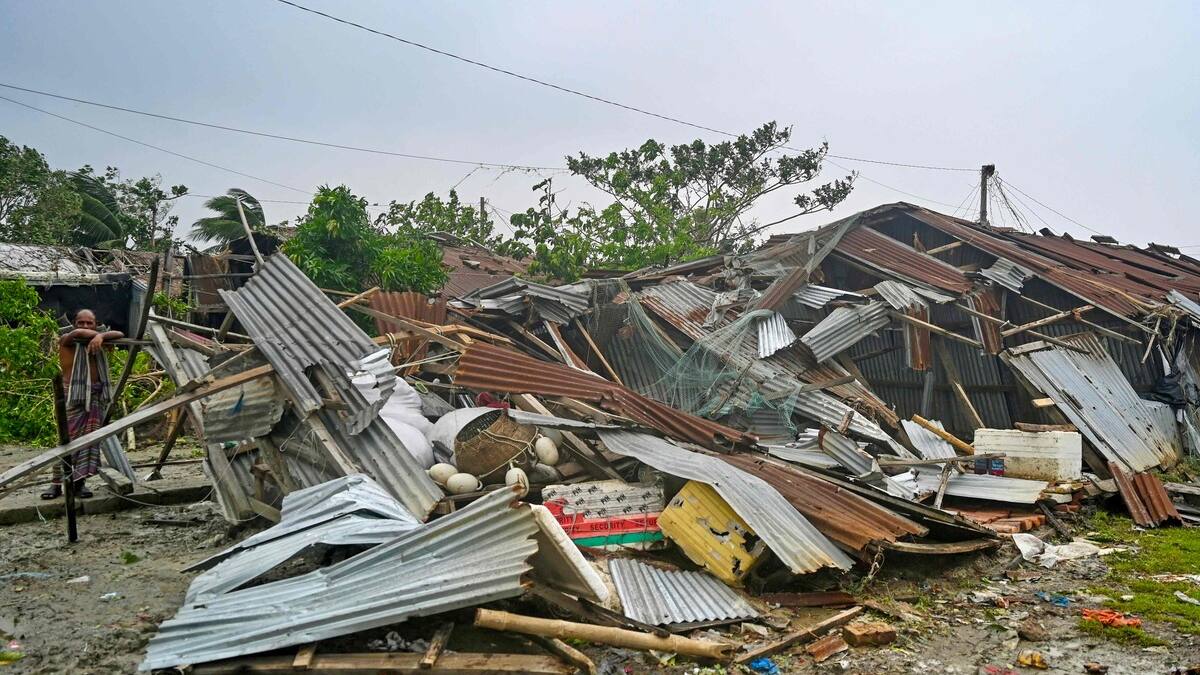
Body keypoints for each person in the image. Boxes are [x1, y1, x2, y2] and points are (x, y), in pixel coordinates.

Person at [40, 309, 123, 500]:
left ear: (96, 324)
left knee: (89, 442)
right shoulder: (67, 339)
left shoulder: (98, 342)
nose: (84, 326)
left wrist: (101, 336)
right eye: (81, 323)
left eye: (89, 323)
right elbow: (77, 335)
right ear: (74, 324)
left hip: (95, 396)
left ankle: (79, 484)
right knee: (66, 441)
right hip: (73, 396)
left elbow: (120, 334)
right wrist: (99, 336)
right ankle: (56, 484)